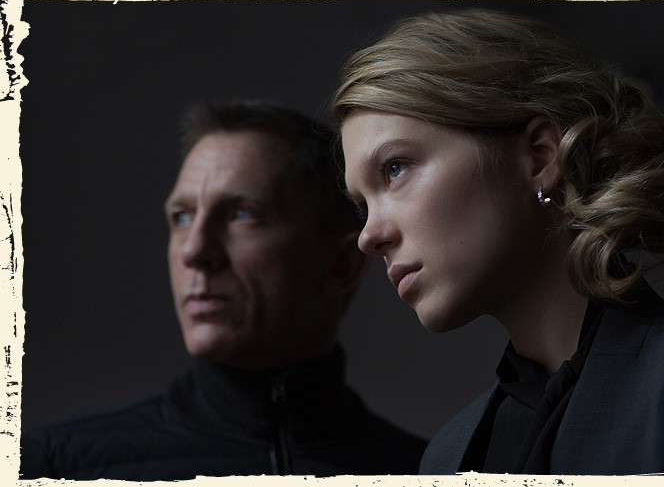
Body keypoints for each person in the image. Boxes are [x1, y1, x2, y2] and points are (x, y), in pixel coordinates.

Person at [331, 8, 664, 476]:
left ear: (540, 156)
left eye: (395, 169)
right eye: (362, 205)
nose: (368, 236)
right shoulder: (448, 458)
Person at [19, 100, 426, 480]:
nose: (194, 251)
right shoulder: (51, 466)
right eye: (182, 217)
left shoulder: (428, 471)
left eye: (241, 214)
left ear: (341, 264)